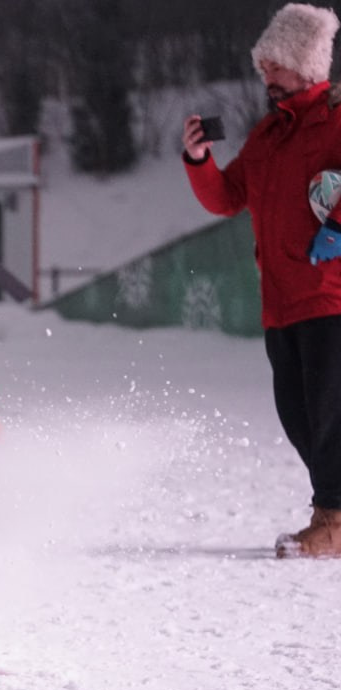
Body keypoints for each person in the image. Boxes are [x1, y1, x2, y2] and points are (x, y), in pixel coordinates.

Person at [183, 3, 341, 558]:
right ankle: (333, 512)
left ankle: (335, 520)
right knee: (299, 415)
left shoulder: (338, 119)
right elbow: (226, 198)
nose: (267, 76)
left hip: (330, 295)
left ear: (305, 64)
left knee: (330, 414)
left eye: (275, 65)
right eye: (263, 66)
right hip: (280, 302)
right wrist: (198, 157)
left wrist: (339, 227)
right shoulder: (268, 136)